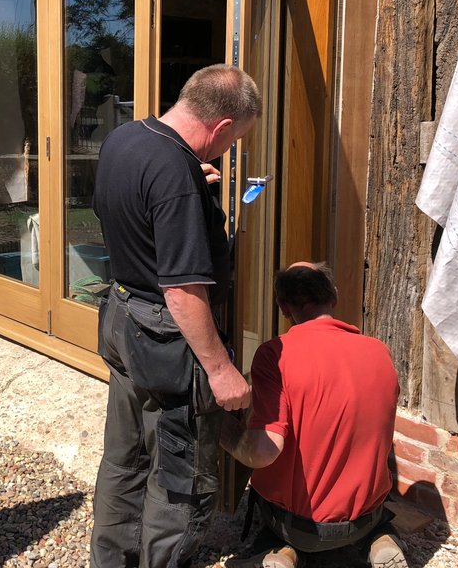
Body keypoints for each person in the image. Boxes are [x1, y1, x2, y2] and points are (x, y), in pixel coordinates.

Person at [90, 63, 260, 568]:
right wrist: (221, 368)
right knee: (179, 478)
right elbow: (184, 291)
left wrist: (191, 183)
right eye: (231, 143)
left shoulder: (126, 139)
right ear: (222, 127)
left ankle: (112, 560)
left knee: (124, 459)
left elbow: (130, 210)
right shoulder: (175, 175)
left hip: (122, 317)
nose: (225, 154)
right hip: (167, 341)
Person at [220, 262, 408, 568]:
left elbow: (265, 451)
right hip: (364, 518)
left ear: (283, 307)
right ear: (333, 296)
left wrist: (227, 433)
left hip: (300, 526)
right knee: (380, 518)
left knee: (277, 530)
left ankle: (284, 553)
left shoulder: (275, 354)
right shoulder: (378, 351)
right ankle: (380, 542)